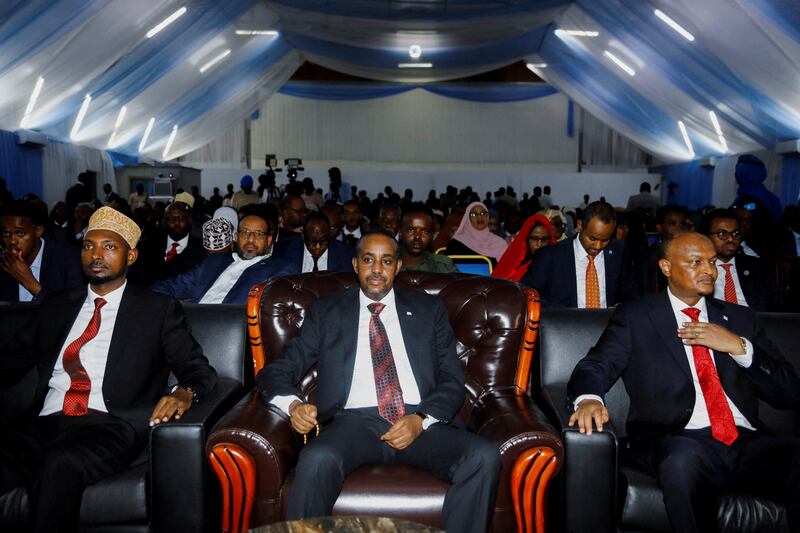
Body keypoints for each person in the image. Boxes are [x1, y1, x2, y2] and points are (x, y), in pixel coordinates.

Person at [257, 231, 501, 533]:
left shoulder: (428, 309)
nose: (376, 269)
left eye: (386, 261)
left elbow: (452, 379)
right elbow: (275, 371)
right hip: (354, 423)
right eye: (368, 260)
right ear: (356, 264)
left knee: (483, 457)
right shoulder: (327, 311)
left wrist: (421, 420)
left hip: (419, 420)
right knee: (317, 458)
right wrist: (293, 405)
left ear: (397, 266)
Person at [0, 206, 217, 532]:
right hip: (46, 421)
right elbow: (10, 360)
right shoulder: (57, 306)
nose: (96, 255)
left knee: (60, 464)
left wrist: (184, 392)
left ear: (130, 256)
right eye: (89, 246)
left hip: (111, 425)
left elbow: (198, 370)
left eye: (109, 247)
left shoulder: (156, 310)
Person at [567, 231, 800, 532]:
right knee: (682, 460)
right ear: (666, 267)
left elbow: (790, 392)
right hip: (679, 439)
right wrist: (588, 398)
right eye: (696, 262)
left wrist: (740, 347)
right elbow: (596, 364)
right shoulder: (638, 317)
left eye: (712, 262)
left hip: (747, 443)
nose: (708, 270)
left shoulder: (740, 319)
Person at [150, 213, 298, 305]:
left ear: (269, 240)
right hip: (192, 324)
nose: (251, 239)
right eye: (245, 232)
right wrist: (137, 297)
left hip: (232, 332)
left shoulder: (280, 269)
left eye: (258, 234)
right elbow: (173, 286)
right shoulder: (215, 261)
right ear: (236, 237)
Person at [522, 201, 637, 308]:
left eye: (605, 240)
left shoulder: (619, 251)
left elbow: (631, 294)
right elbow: (527, 294)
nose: (598, 246)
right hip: (564, 326)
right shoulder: (550, 256)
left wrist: (620, 309)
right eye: (592, 238)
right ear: (580, 226)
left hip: (609, 326)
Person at [701, 208, 782, 312]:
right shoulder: (698, 270)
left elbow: (777, 308)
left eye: (735, 233)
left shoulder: (760, 267)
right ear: (706, 237)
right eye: (722, 234)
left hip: (755, 323)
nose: (731, 239)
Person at [1, 201, 83, 302]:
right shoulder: (3, 264)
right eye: (6, 234)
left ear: (38, 231)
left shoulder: (69, 259)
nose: (12, 241)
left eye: (20, 233)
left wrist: (29, 282)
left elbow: (73, 311)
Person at [131, 201, 205, 285]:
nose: (176, 223)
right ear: (163, 222)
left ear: (189, 220)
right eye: (171, 219)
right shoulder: (149, 246)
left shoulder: (201, 248)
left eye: (181, 218)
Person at [272, 212, 355, 273]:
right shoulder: (283, 251)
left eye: (323, 241)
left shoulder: (347, 255)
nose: (318, 247)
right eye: (312, 241)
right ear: (303, 235)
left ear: (330, 234)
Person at [492, 213, 556, 282]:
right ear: (526, 239)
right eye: (534, 238)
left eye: (544, 239)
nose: (539, 244)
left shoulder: (555, 264)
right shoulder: (515, 259)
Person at [399, 208, 458, 273]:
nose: (417, 236)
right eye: (411, 230)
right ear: (400, 233)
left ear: (432, 235)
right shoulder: (389, 263)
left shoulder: (444, 266)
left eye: (424, 231)